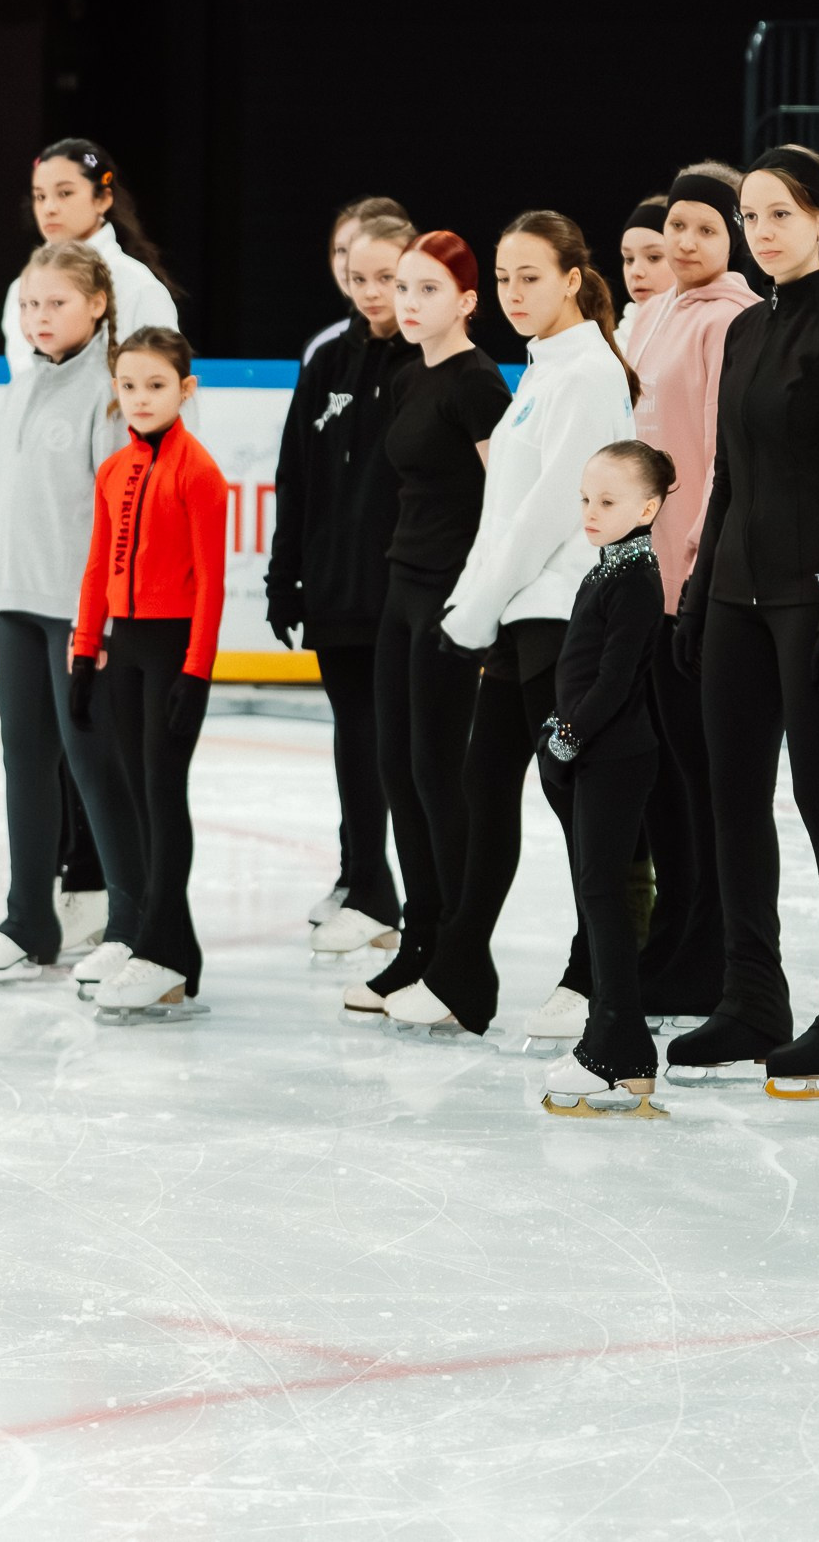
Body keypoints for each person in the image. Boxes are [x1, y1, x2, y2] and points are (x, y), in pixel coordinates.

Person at [667, 146, 819, 1092]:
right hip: (733, 599)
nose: (760, 233)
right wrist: (695, 587)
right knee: (733, 799)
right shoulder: (747, 329)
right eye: (750, 217)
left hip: (811, 602)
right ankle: (752, 998)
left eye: (778, 216)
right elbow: (726, 475)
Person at [383, 212, 635, 1041]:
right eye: (503, 278)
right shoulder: (541, 371)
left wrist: (475, 607)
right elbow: (504, 510)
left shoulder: (587, 372)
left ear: (571, 278)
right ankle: (464, 972)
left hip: (560, 618)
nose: (514, 292)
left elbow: (556, 506)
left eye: (531, 275)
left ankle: (596, 973)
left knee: (571, 806)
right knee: (486, 788)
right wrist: (477, 601)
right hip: (520, 614)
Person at [0, 241, 143, 990]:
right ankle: (29, 917)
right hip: (19, 610)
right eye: (29, 305)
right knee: (24, 765)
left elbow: (117, 519)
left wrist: (100, 620)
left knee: (96, 767)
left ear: (96, 304)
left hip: (78, 615)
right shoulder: (22, 385)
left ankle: (130, 924)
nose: (39, 317)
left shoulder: (109, 390)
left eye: (55, 302)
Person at [348, 231, 507, 1014]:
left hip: (451, 598)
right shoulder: (410, 377)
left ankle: (457, 953)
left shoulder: (478, 384)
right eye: (403, 289)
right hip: (401, 590)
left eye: (428, 290)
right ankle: (418, 939)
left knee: (440, 776)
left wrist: (480, 606)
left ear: (468, 301)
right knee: (400, 771)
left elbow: (504, 499)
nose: (408, 304)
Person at [624, 163, 759, 1013]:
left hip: (692, 582)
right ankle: (675, 937)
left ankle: (711, 952)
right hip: (640, 575)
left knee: (703, 779)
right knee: (666, 779)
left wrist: (701, 563)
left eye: (705, 228)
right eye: (678, 225)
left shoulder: (731, 320)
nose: (685, 241)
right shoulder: (648, 315)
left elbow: (720, 450)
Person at [265, 202, 413, 957]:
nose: (371, 290)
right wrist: (283, 576)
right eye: (358, 277)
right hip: (334, 586)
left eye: (386, 276)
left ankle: (390, 893)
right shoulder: (328, 359)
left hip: (403, 593)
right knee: (353, 734)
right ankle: (363, 877)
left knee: (388, 739)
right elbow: (297, 474)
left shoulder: (433, 361)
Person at [71, 326, 227, 1023]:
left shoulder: (200, 472)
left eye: (155, 385)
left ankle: (161, 954)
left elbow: (214, 585)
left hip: (171, 655)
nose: (139, 397)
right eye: (128, 385)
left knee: (163, 798)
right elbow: (97, 566)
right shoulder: (112, 471)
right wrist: (83, 654)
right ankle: (171, 947)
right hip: (122, 652)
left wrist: (194, 675)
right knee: (135, 797)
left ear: (185, 390)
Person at [538, 442, 679, 1118]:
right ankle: (622, 1045)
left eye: (609, 502)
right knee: (597, 894)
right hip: (596, 754)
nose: (592, 512)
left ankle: (614, 1044)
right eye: (587, 499)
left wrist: (566, 737)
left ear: (648, 508)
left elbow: (616, 679)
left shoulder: (634, 578)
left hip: (615, 757)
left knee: (604, 895)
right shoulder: (610, 567)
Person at [0, 138, 181, 377]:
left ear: (103, 199)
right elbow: (25, 381)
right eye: (40, 196)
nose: (49, 208)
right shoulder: (22, 288)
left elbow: (164, 386)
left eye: (65, 193)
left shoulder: (137, 286)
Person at [301, 196, 412, 365]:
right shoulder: (324, 350)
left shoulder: (436, 347)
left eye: (360, 246)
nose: (347, 264)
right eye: (340, 250)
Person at [613, 196, 672, 353]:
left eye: (654, 257)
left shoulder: (711, 327)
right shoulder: (612, 344)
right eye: (629, 259)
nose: (636, 272)